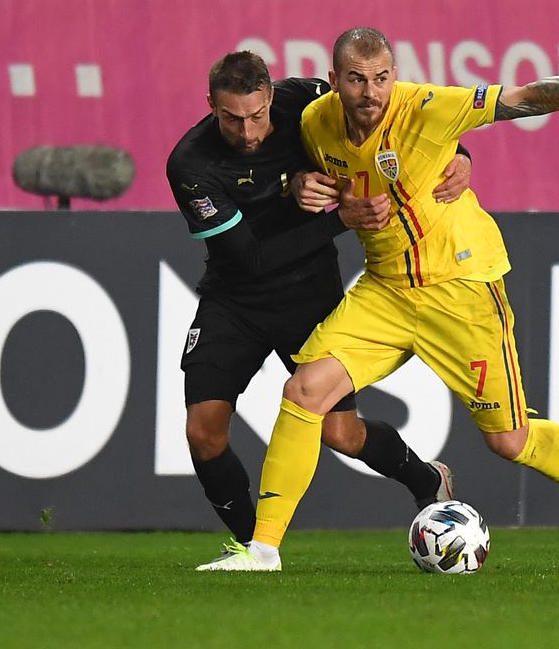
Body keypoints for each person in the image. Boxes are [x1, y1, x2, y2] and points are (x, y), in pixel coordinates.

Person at [198, 27, 559, 572]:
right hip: (386, 290)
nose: (371, 93)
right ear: (334, 82)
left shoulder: (426, 107)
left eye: (381, 79)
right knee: (304, 391)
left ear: (394, 77)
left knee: (510, 442)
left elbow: (524, 97)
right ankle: (263, 551)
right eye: (356, 80)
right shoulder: (314, 122)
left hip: (460, 286)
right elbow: (298, 167)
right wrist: (302, 181)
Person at [167, 50, 473, 568]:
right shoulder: (191, 165)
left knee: (340, 434)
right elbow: (251, 257)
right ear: (210, 107)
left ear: (270, 96)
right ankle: (254, 548)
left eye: (258, 115)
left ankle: (426, 478)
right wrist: (338, 218)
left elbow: (394, 115)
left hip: (308, 292)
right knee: (203, 430)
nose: (248, 132)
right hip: (235, 296)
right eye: (232, 119)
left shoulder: (304, 99)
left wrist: (461, 153)